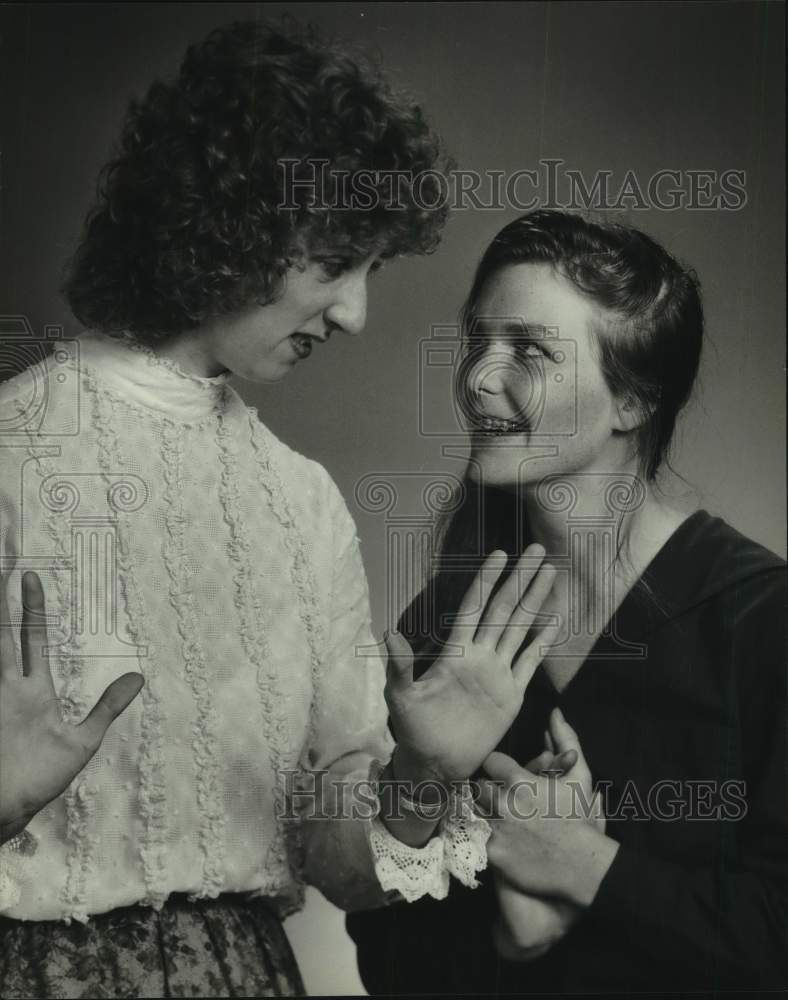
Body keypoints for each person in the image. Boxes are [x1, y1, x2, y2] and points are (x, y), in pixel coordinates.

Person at [0, 21, 562, 997]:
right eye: (335, 258)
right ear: (229, 220)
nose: (352, 313)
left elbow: (339, 864)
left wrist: (419, 780)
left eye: (370, 271)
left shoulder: (299, 500)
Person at [347, 209, 788, 994]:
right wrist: (419, 782)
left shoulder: (764, 625)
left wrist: (586, 869)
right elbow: (394, 975)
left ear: (634, 400)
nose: (480, 377)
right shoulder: (445, 630)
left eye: (529, 350)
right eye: (477, 341)